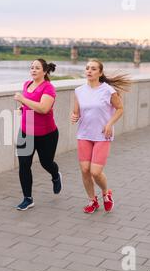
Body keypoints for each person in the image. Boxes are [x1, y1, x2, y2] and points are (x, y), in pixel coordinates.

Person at [71, 59, 131, 214]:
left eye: (93, 68)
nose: (89, 71)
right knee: (85, 170)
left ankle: (106, 192)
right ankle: (92, 200)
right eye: (87, 68)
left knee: (95, 172)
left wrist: (110, 124)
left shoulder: (108, 90)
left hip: (102, 135)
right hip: (84, 134)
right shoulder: (79, 91)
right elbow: (76, 112)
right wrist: (74, 116)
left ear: (100, 72)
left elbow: (119, 108)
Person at [14, 58, 62, 211]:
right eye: (32, 67)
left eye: (37, 68)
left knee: (46, 163)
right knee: (24, 165)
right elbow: (27, 104)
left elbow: (43, 109)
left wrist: (23, 100)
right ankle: (27, 198)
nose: (33, 70)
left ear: (45, 71)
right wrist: (23, 108)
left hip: (46, 134)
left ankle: (55, 175)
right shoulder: (26, 85)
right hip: (26, 132)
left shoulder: (49, 88)